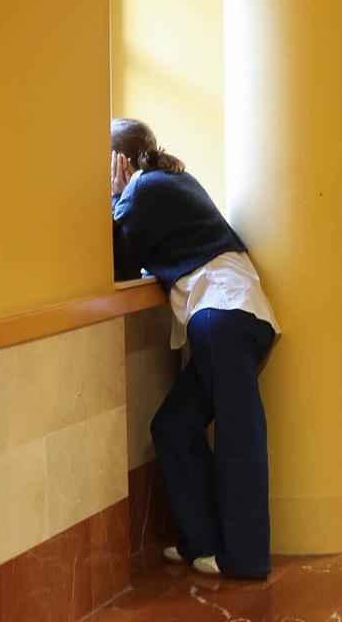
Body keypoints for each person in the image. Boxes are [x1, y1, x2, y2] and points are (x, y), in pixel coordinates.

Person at [110, 119, 279, 580]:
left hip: (224, 314)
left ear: (120, 161)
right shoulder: (165, 181)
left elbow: (114, 254)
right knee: (172, 426)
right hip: (228, 315)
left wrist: (111, 194)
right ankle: (202, 541)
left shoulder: (143, 188)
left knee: (239, 438)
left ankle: (245, 557)